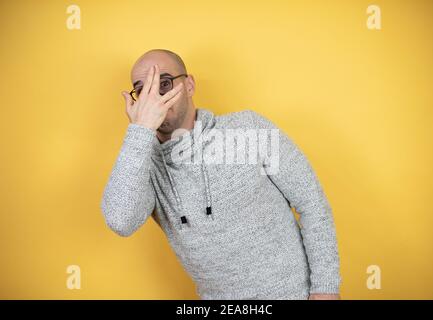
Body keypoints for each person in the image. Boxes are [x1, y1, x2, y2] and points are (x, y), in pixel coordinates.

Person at [100, 49, 342, 300]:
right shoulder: (142, 165)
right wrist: (140, 129)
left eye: (164, 83)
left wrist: (325, 288)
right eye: (142, 91)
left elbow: (311, 202)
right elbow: (120, 221)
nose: (154, 98)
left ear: (190, 85)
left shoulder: (248, 128)